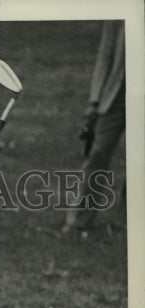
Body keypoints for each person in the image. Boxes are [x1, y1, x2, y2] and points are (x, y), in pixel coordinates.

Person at [62, 20, 125, 235]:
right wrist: (95, 100)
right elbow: (105, 56)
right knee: (97, 154)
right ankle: (78, 221)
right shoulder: (118, 15)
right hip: (116, 97)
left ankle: (126, 223)